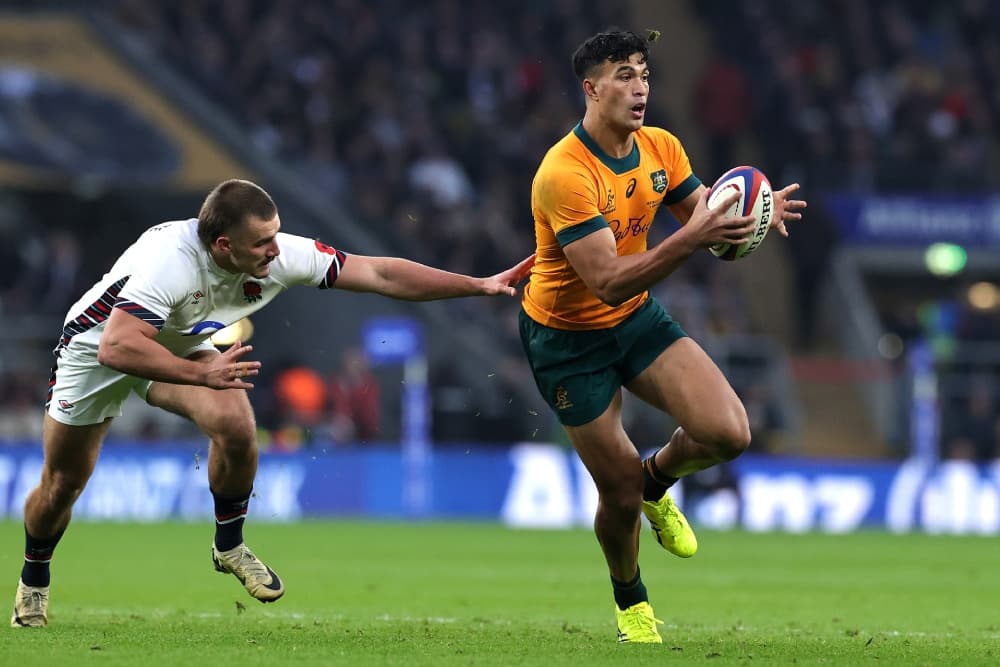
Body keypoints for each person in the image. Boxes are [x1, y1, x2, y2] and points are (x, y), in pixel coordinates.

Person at [11, 178, 534, 628]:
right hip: (97, 352)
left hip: (180, 341)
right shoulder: (171, 265)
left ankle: (229, 545)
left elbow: (378, 273)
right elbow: (117, 345)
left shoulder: (280, 253)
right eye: (261, 242)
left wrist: (477, 284)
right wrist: (201, 370)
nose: (276, 251)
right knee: (62, 486)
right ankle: (34, 577)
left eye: (275, 235)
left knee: (237, 424)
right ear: (222, 246)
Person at [518, 30, 806, 643]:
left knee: (729, 432)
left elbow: (708, 227)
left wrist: (750, 221)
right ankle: (632, 601)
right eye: (623, 74)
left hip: (637, 319)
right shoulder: (563, 174)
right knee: (614, 490)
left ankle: (658, 480)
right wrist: (696, 236)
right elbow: (607, 281)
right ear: (591, 89)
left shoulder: (663, 148)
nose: (640, 85)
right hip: (567, 341)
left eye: (644, 72)